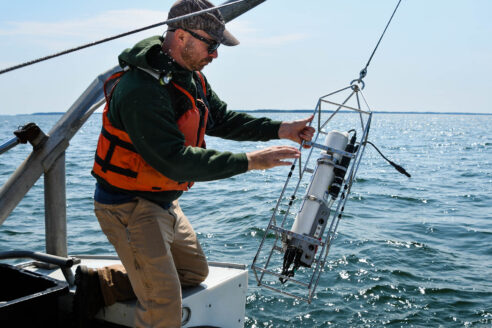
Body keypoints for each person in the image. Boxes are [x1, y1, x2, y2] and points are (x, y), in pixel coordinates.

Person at [73, 0, 315, 327]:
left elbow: (222, 119)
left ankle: (98, 284)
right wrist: (251, 162)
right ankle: (145, 285)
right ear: (181, 36)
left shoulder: (190, 77)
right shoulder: (140, 89)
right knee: (164, 303)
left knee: (194, 273)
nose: (215, 54)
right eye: (211, 44)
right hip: (127, 206)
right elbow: (174, 161)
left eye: (219, 46)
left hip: (163, 202)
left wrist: (280, 129)